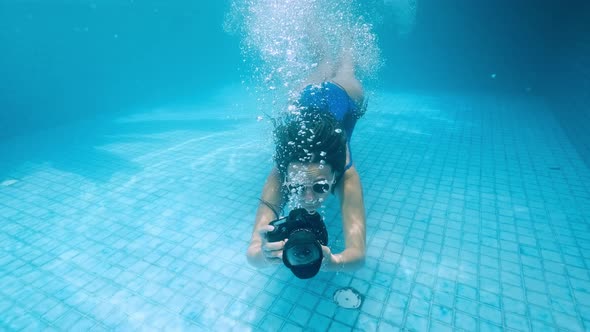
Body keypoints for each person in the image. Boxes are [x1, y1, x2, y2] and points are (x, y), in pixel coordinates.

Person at [246, 45, 367, 276]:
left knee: (345, 69)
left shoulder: (346, 176)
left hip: (346, 94)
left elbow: (358, 256)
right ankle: (322, 51)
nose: (309, 199)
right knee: (323, 64)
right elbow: (252, 253)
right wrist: (262, 254)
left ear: (334, 176)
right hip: (306, 95)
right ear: (288, 177)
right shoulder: (281, 174)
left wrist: (332, 262)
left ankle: (349, 41)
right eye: (298, 187)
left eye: (321, 187)